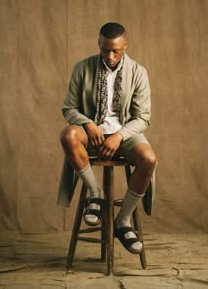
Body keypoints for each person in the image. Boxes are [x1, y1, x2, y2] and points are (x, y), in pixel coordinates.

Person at [60, 22, 157, 254]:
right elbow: (68, 108)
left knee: (149, 160)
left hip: (125, 135)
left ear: (125, 45)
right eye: (105, 50)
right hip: (91, 134)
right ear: (99, 44)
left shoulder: (138, 72)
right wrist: (88, 123)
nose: (111, 55)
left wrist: (119, 136)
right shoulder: (82, 68)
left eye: (116, 50)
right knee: (68, 135)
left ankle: (123, 222)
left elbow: (143, 118)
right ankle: (96, 194)